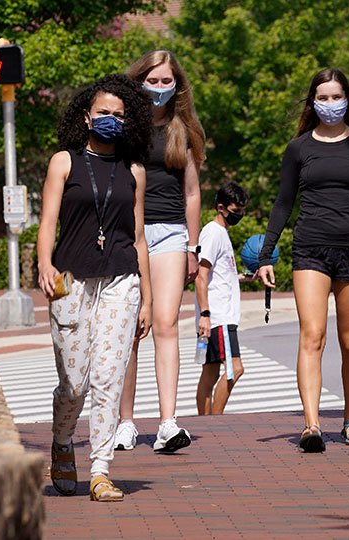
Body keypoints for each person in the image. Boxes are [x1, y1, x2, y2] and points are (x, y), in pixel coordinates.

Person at [36, 74, 153, 502]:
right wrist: (44, 264)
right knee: (75, 382)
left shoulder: (134, 170)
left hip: (122, 279)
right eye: (103, 113)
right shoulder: (63, 162)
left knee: (108, 378)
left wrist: (148, 297)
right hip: (71, 280)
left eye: (119, 115)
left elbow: (138, 236)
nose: (110, 120)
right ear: (87, 116)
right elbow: (48, 221)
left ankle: (101, 469)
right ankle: (63, 441)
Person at [255, 68, 349, 453]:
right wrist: (267, 254)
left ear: (348, 99)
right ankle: (311, 424)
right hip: (310, 248)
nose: (330, 104)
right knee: (312, 335)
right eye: (323, 97)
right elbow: (283, 203)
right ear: (313, 101)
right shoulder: (298, 149)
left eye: (336, 96)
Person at [115, 50, 206, 453]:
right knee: (131, 328)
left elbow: (191, 193)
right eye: (151, 80)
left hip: (169, 233)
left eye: (166, 81)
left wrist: (192, 245)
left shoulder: (181, 131)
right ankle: (125, 422)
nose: (158, 88)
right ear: (137, 82)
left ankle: (168, 422)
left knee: (166, 323)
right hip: (126, 233)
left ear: (177, 85)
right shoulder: (121, 127)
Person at [194, 182, 250, 415]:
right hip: (219, 317)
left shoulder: (220, 233)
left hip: (218, 316)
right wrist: (205, 315)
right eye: (235, 211)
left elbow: (217, 275)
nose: (239, 216)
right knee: (234, 369)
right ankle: (216, 421)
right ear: (221, 207)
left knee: (210, 372)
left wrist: (244, 277)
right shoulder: (213, 233)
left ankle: (204, 423)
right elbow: (201, 276)